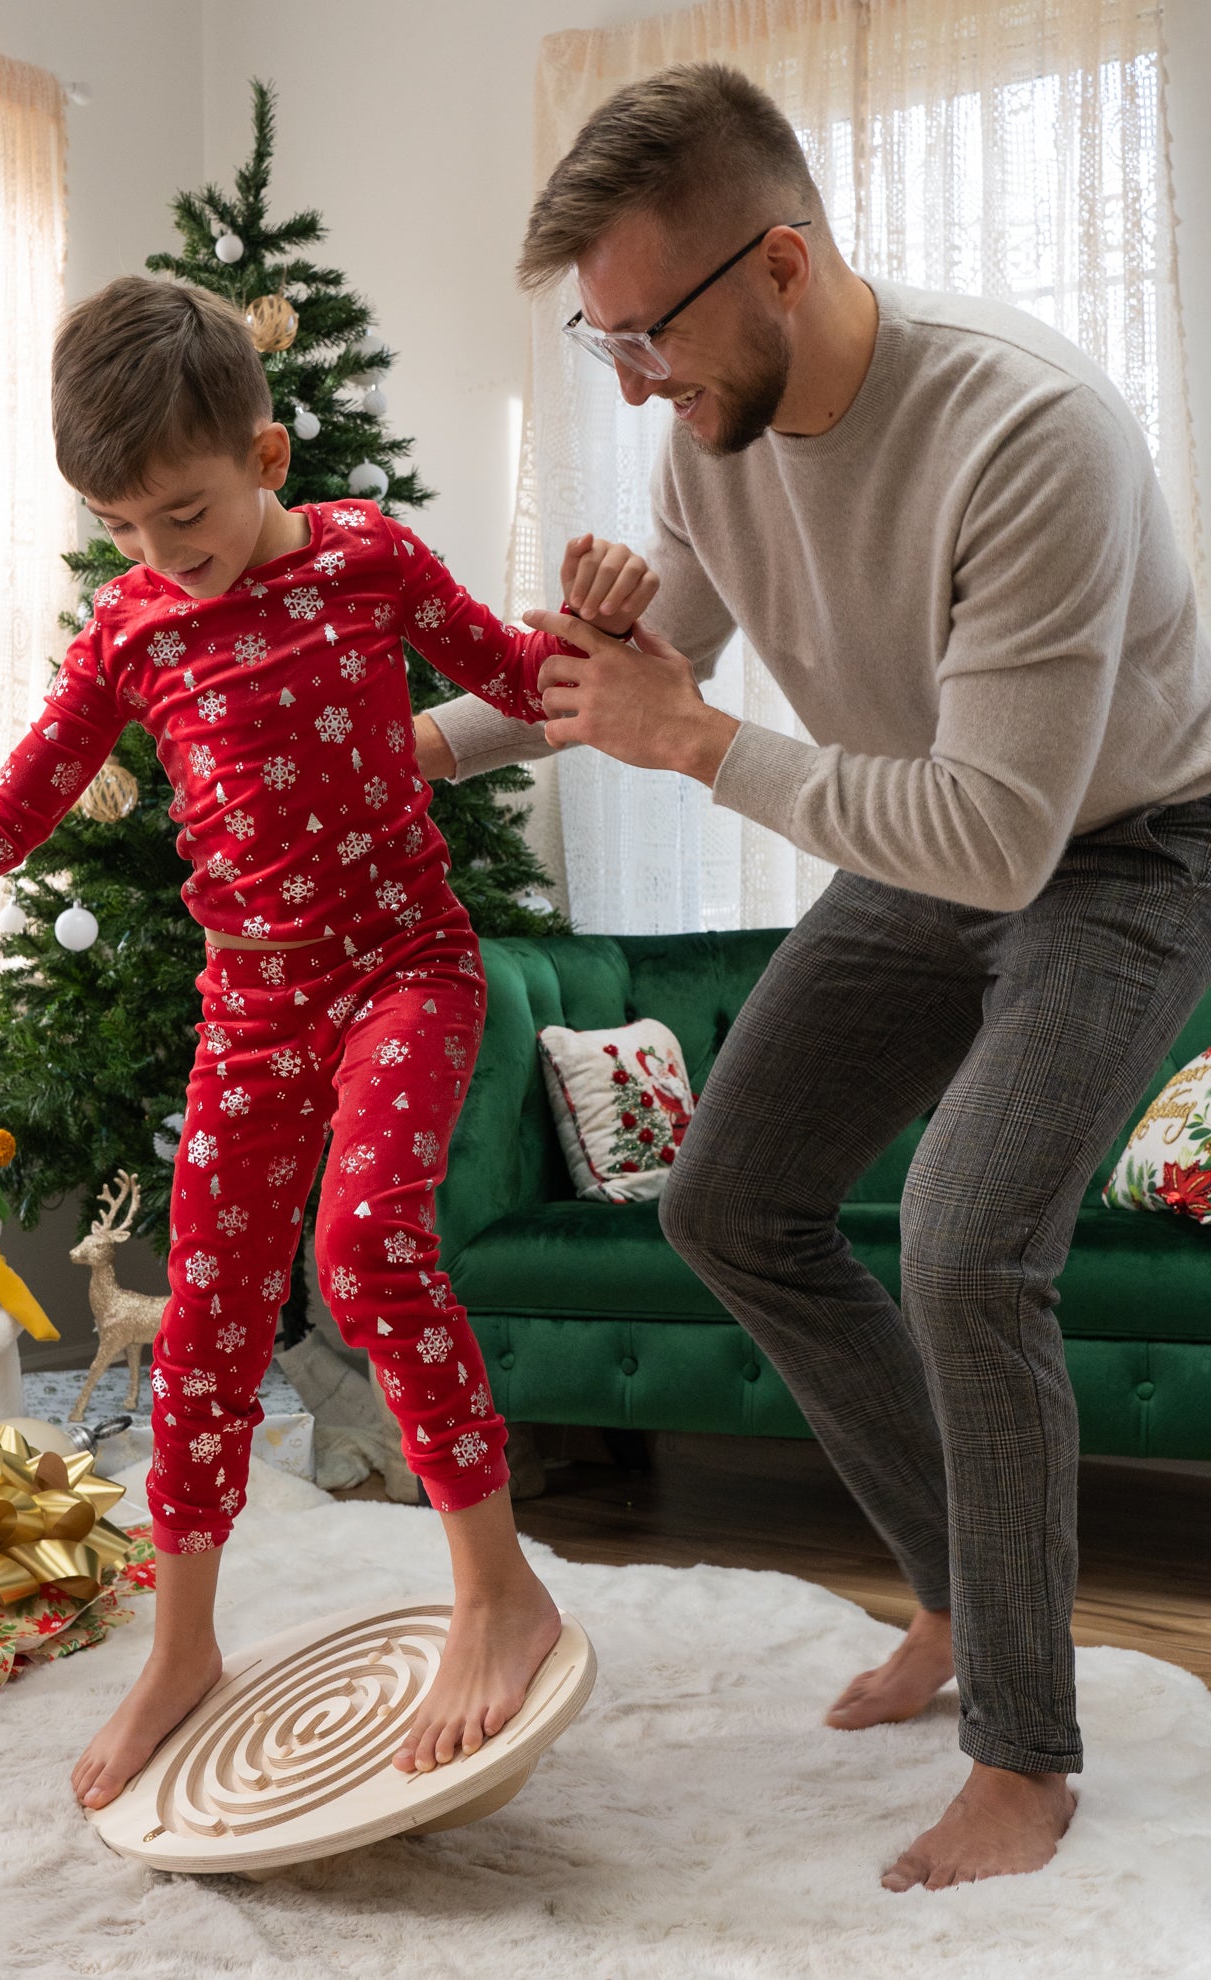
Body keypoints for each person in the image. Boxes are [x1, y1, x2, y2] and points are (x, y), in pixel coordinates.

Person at [0, 276, 659, 1810]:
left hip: (405, 965)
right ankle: (183, 1646)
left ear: (265, 461)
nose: (155, 552)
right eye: (120, 525)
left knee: (373, 1247)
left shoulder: (368, 560)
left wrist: (595, 624)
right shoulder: (130, 633)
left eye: (180, 511)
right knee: (202, 1325)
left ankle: (497, 1591)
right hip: (251, 1004)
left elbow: (538, 693)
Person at [417, 61, 1211, 1892]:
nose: (634, 382)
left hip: (1127, 848)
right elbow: (609, 677)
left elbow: (1002, 842)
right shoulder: (710, 432)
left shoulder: (1029, 435)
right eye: (601, 342)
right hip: (922, 828)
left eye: (649, 336)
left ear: (779, 265)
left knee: (963, 1240)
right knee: (732, 1201)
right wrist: (409, 754)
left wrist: (696, 745)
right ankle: (961, 1596)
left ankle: (1028, 1750)